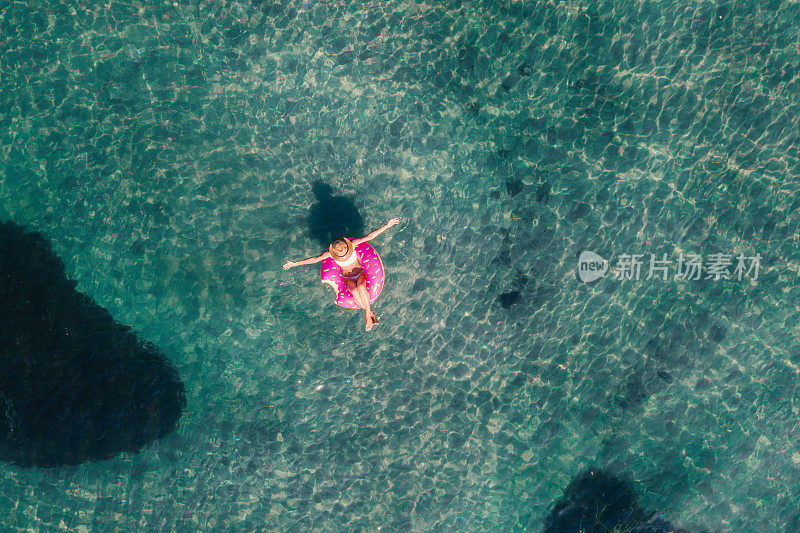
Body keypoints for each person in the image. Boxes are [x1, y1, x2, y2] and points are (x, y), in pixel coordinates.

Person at [283, 217, 400, 331]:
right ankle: (369, 312)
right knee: (354, 290)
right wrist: (295, 263)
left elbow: (370, 236)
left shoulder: (353, 245)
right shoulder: (330, 253)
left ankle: (367, 316)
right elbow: (315, 259)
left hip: (360, 273)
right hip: (347, 277)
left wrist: (387, 225)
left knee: (360, 286)